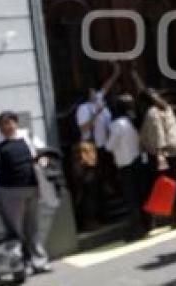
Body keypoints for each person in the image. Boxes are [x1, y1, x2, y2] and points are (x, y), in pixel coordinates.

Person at [0, 111, 52, 275]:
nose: (8, 127)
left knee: (33, 228)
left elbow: (42, 153)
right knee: (15, 231)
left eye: (10, 123)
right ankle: (22, 264)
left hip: (32, 189)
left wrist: (43, 163)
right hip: (9, 193)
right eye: (4, 124)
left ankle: (39, 261)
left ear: (16, 123)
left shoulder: (27, 137)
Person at [134, 70, 176, 227]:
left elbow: (158, 134)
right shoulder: (164, 107)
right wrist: (134, 75)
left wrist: (159, 155)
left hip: (168, 150)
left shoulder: (152, 113)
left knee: (171, 181)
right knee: (173, 180)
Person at [73, 61, 120, 230]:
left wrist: (116, 71)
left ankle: (106, 214)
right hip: (91, 149)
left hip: (104, 147)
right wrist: (97, 114)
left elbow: (107, 86)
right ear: (87, 94)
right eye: (93, 91)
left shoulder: (99, 99)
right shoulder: (84, 108)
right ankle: (90, 220)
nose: (96, 92)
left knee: (104, 181)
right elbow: (83, 128)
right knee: (91, 185)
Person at [105, 94, 148, 240]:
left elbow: (110, 146)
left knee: (131, 198)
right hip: (137, 160)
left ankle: (137, 229)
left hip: (125, 163)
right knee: (140, 195)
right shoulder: (133, 120)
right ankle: (147, 223)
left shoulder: (118, 124)